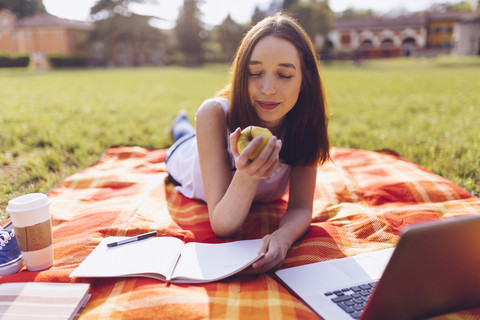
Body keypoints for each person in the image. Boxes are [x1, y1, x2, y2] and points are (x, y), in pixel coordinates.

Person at [166, 13, 330, 273]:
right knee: (183, 135)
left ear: (304, 81)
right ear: (242, 75)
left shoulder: (305, 123)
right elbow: (223, 224)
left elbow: (300, 207)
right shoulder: (214, 114)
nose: (267, 88)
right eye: (255, 73)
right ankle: (179, 121)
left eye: (284, 75)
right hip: (185, 158)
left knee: (186, 131)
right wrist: (247, 174)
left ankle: (180, 122)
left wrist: (283, 236)